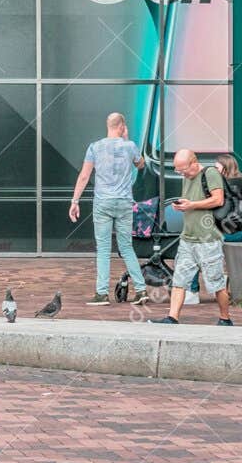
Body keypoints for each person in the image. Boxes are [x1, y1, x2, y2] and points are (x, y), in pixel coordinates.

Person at [68, 112, 148, 305]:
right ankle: (141, 289)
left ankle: (101, 293)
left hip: (103, 202)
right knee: (126, 247)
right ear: (122, 126)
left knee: (103, 249)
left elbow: (84, 176)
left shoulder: (95, 147)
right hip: (123, 202)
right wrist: (127, 140)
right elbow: (141, 165)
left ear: (108, 125)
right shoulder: (130, 147)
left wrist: (75, 201)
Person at [152, 149, 231, 327]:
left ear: (194, 163)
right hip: (188, 238)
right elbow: (190, 200)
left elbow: (218, 200)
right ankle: (172, 317)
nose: (181, 174)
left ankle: (225, 318)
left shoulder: (210, 174)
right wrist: (181, 204)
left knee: (216, 283)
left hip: (208, 239)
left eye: (183, 170)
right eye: (178, 171)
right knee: (179, 280)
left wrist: (192, 205)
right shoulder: (187, 177)